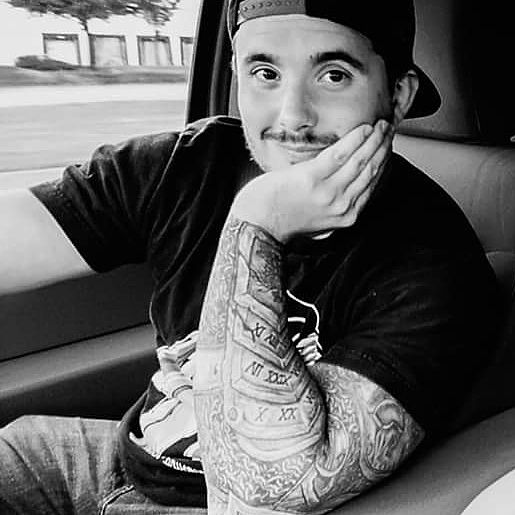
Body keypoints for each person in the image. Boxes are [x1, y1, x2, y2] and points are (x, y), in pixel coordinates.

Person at [0, 0, 501, 513]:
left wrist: (256, 223)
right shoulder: (189, 166)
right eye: (265, 73)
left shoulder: (435, 268)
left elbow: (258, 491)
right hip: (117, 455)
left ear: (397, 95)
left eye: (333, 76)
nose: (292, 116)